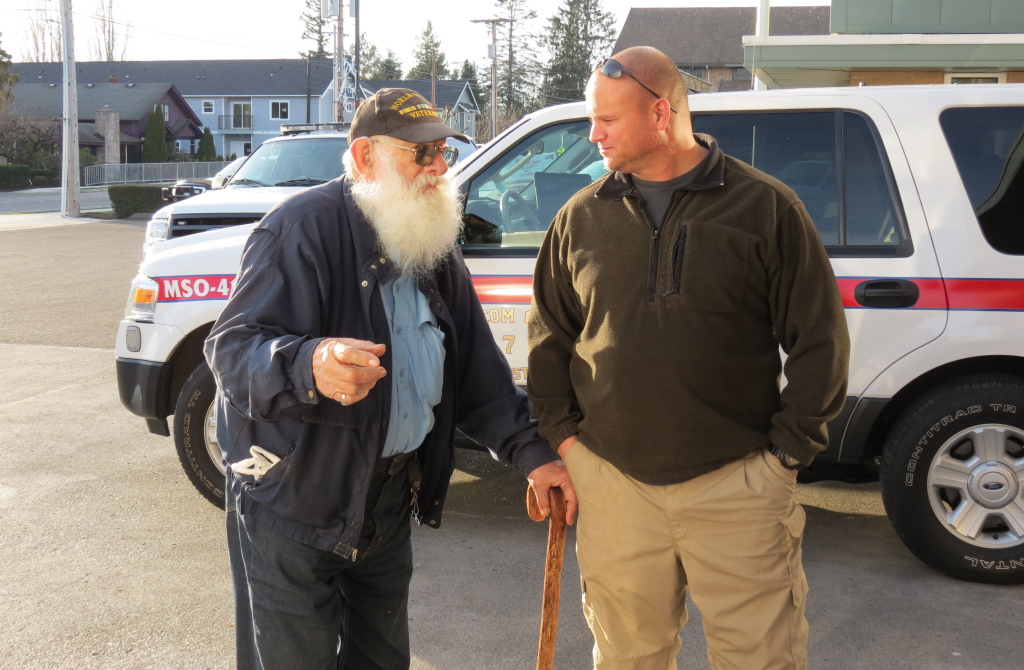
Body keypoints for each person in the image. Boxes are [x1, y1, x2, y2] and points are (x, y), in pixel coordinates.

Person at [205, 88, 576, 670]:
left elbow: (476, 371)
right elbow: (231, 350)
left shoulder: (432, 243)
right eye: (419, 153)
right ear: (363, 156)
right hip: (292, 502)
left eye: (443, 153)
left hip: (383, 503)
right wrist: (310, 364)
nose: (438, 168)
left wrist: (534, 455)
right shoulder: (299, 230)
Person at [527, 47, 851, 670]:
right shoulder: (579, 218)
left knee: (761, 660)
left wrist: (785, 458)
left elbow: (819, 342)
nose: (592, 135)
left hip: (739, 488)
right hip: (614, 487)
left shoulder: (766, 208)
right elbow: (549, 342)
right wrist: (566, 445)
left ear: (660, 112)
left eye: (607, 120)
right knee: (627, 659)